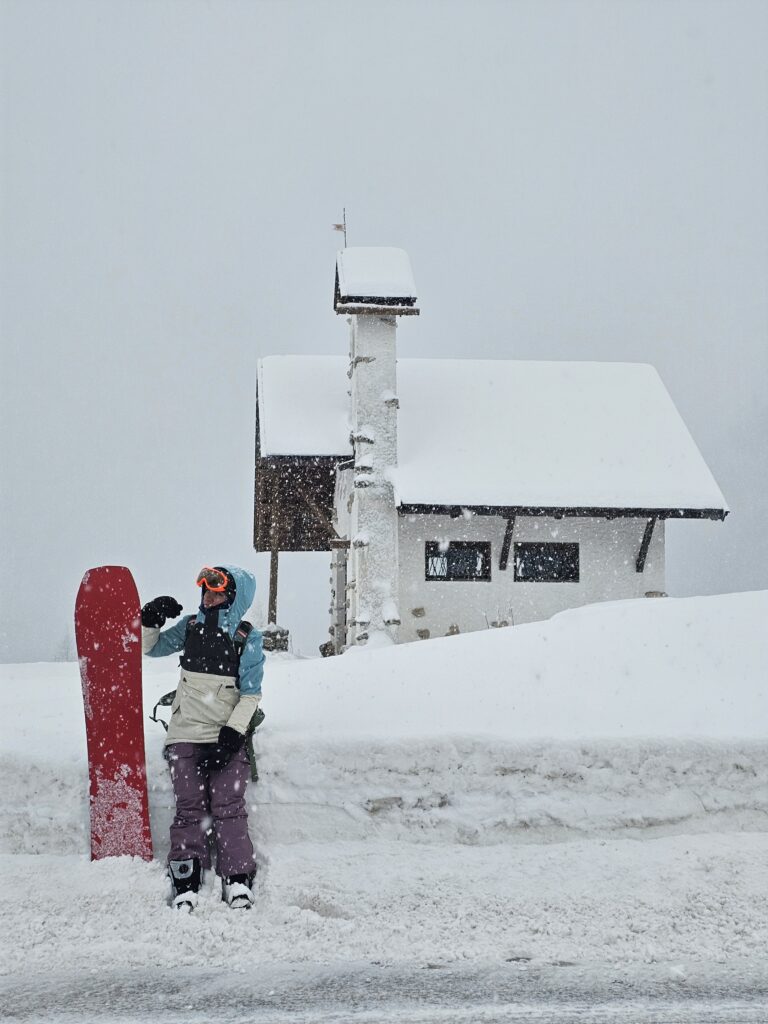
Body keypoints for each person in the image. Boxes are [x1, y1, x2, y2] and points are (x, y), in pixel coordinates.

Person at [141, 565, 264, 911]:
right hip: (184, 735)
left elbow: (251, 695)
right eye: (206, 592)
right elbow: (150, 648)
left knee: (229, 807)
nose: (209, 597)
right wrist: (150, 620)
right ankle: (186, 877)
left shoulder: (246, 638)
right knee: (189, 808)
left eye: (218, 592)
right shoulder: (191, 627)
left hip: (226, 736)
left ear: (234, 597)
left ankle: (237, 878)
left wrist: (230, 737)